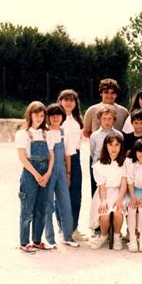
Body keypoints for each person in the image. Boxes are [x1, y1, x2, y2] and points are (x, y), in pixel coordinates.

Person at [15, 101, 54, 253]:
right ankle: (24, 242)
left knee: (42, 208)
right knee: (27, 209)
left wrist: (48, 173)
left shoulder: (48, 133)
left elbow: (52, 156)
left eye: (42, 115)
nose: (39, 118)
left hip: (45, 174)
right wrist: (37, 175)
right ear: (30, 115)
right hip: (30, 174)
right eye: (36, 115)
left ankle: (37, 240)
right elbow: (22, 158)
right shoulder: (22, 133)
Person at [44, 103, 79, 248]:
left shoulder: (65, 133)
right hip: (48, 171)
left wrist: (68, 173)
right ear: (48, 117)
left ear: (62, 116)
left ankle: (68, 236)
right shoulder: (44, 133)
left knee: (65, 203)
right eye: (52, 115)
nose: (55, 117)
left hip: (62, 172)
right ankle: (50, 239)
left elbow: (68, 156)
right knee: (48, 205)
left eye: (58, 115)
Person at [89, 133, 127, 250]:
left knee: (117, 212)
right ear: (106, 146)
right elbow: (101, 186)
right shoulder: (99, 165)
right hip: (104, 193)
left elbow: (124, 183)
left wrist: (120, 199)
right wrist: (103, 201)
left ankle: (116, 236)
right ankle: (103, 235)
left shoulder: (126, 163)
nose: (114, 148)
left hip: (120, 192)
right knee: (104, 215)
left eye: (117, 145)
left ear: (121, 146)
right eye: (110, 145)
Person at [58, 89, 86, 241]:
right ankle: (62, 227)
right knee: (61, 195)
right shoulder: (56, 119)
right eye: (65, 99)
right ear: (60, 101)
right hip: (60, 158)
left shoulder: (77, 121)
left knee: (76, 195)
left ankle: (73, 227)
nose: (68, 102)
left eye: (72, 100)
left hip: (76, 158)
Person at [89, 105, 123, 196]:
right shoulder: (94, 135)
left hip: (114, 169)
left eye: (109, 118)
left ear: (114, 119)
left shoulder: (119, 135)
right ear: (100, 119)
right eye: (104, 118)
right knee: (97, 194)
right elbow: (92, 152)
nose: (107, 121)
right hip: (99, 169)